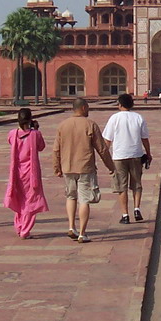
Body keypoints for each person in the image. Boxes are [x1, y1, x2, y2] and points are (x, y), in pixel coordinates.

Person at [53, 98, 115, 243]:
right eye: (87, 108)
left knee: (70, 196)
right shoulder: (90, 124)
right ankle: (82, 233)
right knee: (84, 200)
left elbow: (56, 149)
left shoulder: (63, 125)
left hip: (67, 167)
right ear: (83, 108)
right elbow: (102, 149)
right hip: (85, 167)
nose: (88, 110)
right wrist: (111, 166)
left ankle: (71, 226)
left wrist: (57, 167)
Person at [103, 94, 152, 225]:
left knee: (121, 186)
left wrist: (105, 157)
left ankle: (125, 215)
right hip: (136, 154)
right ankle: (137, 209)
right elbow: (145, 139)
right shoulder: (138, 117)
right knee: (137, 184)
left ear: (119, 104)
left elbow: (107, 140)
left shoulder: (114, 118)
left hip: (119, 156)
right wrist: (148, 153)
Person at [3, 108, 48, 239]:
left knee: (19, 199)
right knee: (31, 201)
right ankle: (25, 230)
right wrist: (35, 129)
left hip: (16, 171)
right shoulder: (35, 135)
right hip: (31, 173)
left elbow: (10, 142)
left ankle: (19, 225)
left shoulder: (13, 134)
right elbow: (41, 147)